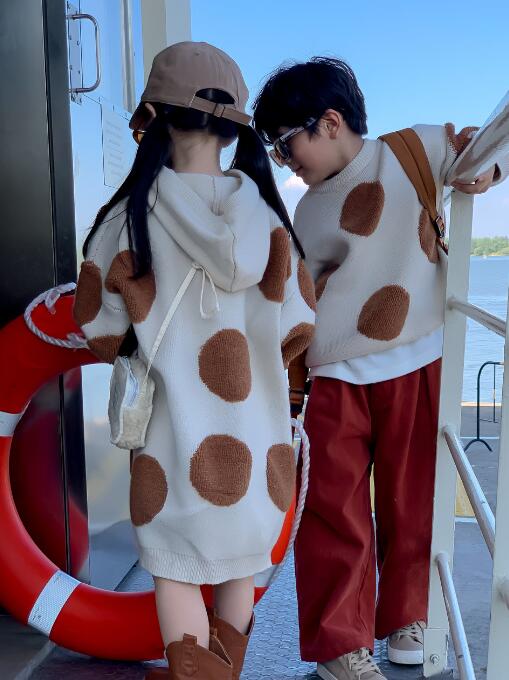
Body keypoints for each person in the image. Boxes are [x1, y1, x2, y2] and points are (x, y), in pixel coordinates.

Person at [252, 56, 508, 680]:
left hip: (418, 357)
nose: (284, 162)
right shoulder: (305, 212)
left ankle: (407, 619)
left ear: (329, 122)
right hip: (332, 373)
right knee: (331, 510)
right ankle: (341, 645)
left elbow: (480, 149)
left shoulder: (414, 150)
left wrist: (489, 171)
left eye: (285, 144)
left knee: (413, 501)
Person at [73, 42, 315, 680]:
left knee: (175, 567)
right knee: (240, 566)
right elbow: (298, 328)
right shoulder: (269, 220)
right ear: (232, 128)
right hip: (259, 447)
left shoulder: (129, 217)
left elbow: (99, 327)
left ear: (153, 118)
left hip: (171, 449)